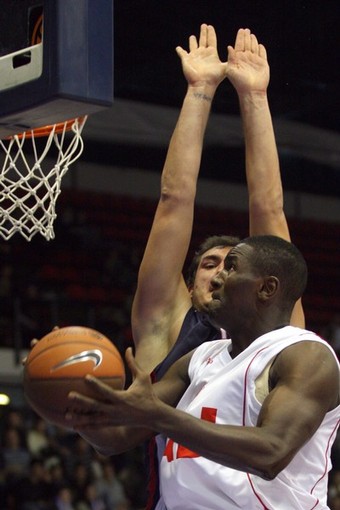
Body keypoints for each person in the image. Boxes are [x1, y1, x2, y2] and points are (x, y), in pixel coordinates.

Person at [130, 24, 304, 507]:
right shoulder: (167, 322)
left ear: (265, 285)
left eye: (233, 264)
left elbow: (269, 207)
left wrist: (255, 96)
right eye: (209, 263)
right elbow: (173, 200)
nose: (222, 272)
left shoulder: (282, 333)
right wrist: (200, 89)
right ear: (188, 283)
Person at [65, 235, 340, 510]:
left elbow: (271, 453)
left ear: (266, 289)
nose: (217, 278)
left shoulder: (306, 355)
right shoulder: (198, 358)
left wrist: (157, 415)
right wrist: (73, 395)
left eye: (231, 267)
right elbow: (115, 437)